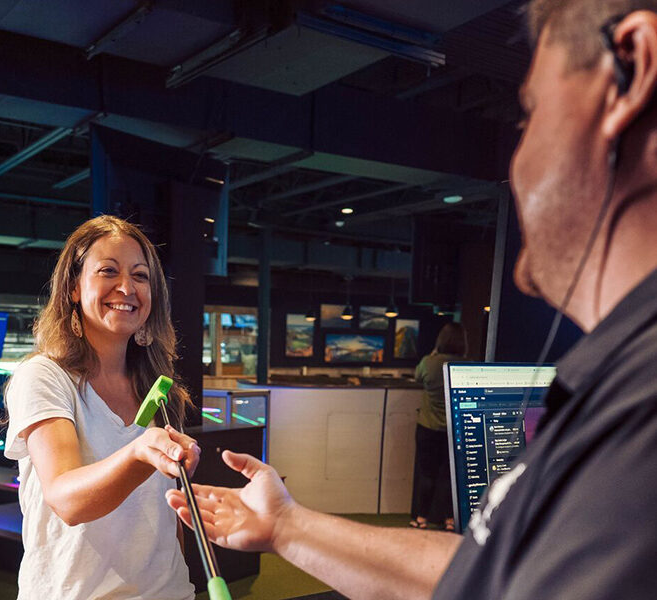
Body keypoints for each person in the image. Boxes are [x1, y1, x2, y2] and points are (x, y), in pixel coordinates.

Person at [167, 1, 657, 598]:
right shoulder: (623, 377)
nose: (517, 162)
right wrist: (289, 527)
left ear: (629, 68)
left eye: (531, 113)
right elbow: (496, 570)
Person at [4, 215, 199, 599]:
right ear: (74, 287)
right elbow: (66, 499)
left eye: (140, 276)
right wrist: (139, 454)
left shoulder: (159, 388)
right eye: (108, 271)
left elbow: (164, 512)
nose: (126, 287)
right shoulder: (44, 377)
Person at [410, 323, 468, 531]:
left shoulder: (428, 363)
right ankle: (449, 520)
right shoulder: (463, 366)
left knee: (427, 474)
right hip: (454, 430)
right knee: (448, 476)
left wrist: (433, 353)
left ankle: (421, 519)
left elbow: (417, 377)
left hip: (427, 428)